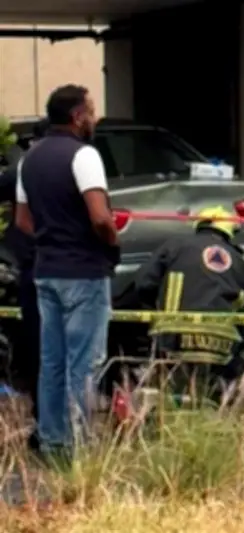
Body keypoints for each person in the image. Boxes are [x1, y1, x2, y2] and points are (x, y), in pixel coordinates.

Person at [15, 85, 119, 461]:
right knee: (85, 361)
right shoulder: (85, 155)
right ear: (77, 116)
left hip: (46, 270)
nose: (94, 117)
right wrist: (109, 242)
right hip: (84, 272)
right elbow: (100, 217)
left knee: (52, 360)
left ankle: (52, 441)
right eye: (90, 110)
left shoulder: (31, 158)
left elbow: (22, 220)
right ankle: (81, 446)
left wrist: (53, 235)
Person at [132, 206, 244, 400]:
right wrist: (240, 354)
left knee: (173, 391)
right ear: (228, 230)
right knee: (209, 395)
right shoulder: (240, 263)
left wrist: (156, 314)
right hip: (221, 343)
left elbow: (143, 284)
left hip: (173, 337)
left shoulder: (175, 246)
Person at [0, 118, 48, 451]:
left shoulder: (26, 168)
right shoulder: (75, 163)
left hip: (30, 264)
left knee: (38, 348)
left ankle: (43, 422)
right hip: (48, 265)